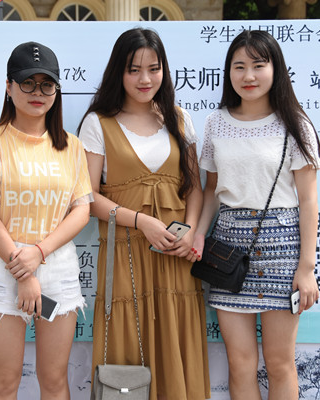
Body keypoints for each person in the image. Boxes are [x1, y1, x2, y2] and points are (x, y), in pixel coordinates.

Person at [78, 28, 210, 400]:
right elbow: (88, 198)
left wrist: (191, 230)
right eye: (134, 70)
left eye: (154, 69)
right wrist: (142, 221)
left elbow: (193, 187)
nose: (145, 79)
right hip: (125, 257)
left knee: (175, 344)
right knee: (127, 352)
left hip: (175, 255)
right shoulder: (98, 123)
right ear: (118, 72)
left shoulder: (179, 119)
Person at [193, 30, 320, 400]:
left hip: (283, 250)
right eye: (239, 66)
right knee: (240, 362)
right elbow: (210, 189)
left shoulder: (295, 123)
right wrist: (199, 233)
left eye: (258, 65)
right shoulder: (216, 122)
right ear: (228, 72)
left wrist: (307, 268)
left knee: (280, 362)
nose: (248, 75)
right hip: (227, 250)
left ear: (275, 69)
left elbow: (309, 200)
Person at [0, 41, 93, 400]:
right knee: (5, 382)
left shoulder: (71, 146)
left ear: (56, 91)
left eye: (46, 84)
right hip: (4, 268)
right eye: (27, 83)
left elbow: (81, 210)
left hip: (56, 269)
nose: (37, 92)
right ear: (8, 87)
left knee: (54, 381)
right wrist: (23, 271)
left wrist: (39, 253)